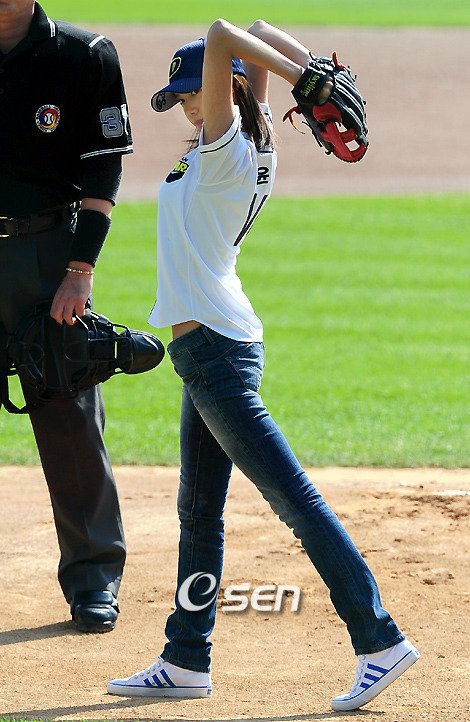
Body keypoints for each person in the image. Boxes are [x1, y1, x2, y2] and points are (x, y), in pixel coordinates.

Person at [107, 19, 419, 710]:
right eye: (182, 99)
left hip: (217, 352)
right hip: (210, 349)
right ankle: (186, 659)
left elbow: (224, 33)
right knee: (198, 513)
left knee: (295, 501)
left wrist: (301, 74)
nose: (189, 107)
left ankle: (379, 640)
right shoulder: (251, 141)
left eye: (196, 92)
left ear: (230, 88)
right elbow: (250, 32)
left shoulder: (226, 148)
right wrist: (301, 67)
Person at [0, 1, 133, 632]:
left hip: (49, 254)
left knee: (69, 412)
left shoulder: (83, 56)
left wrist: (81, 267)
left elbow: (103, 164)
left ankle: (93, 577)